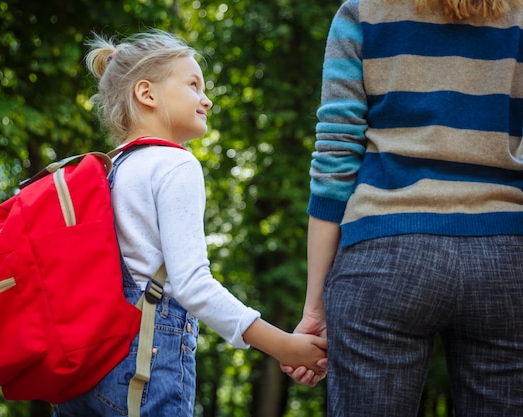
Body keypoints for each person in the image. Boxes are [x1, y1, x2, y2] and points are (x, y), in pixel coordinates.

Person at [53, 29, 327, 417]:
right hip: (144, 367)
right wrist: (282, 344)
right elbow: (192, 285)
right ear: (147, 94)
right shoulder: (175, 164)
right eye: (194, 85)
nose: (207, 99)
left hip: (84, 371)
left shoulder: (107, 171)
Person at [282, 0, 523, 415]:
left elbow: (335, 162)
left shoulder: (363, 12)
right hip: (506, 257)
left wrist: (314, 307)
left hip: (384, 253)